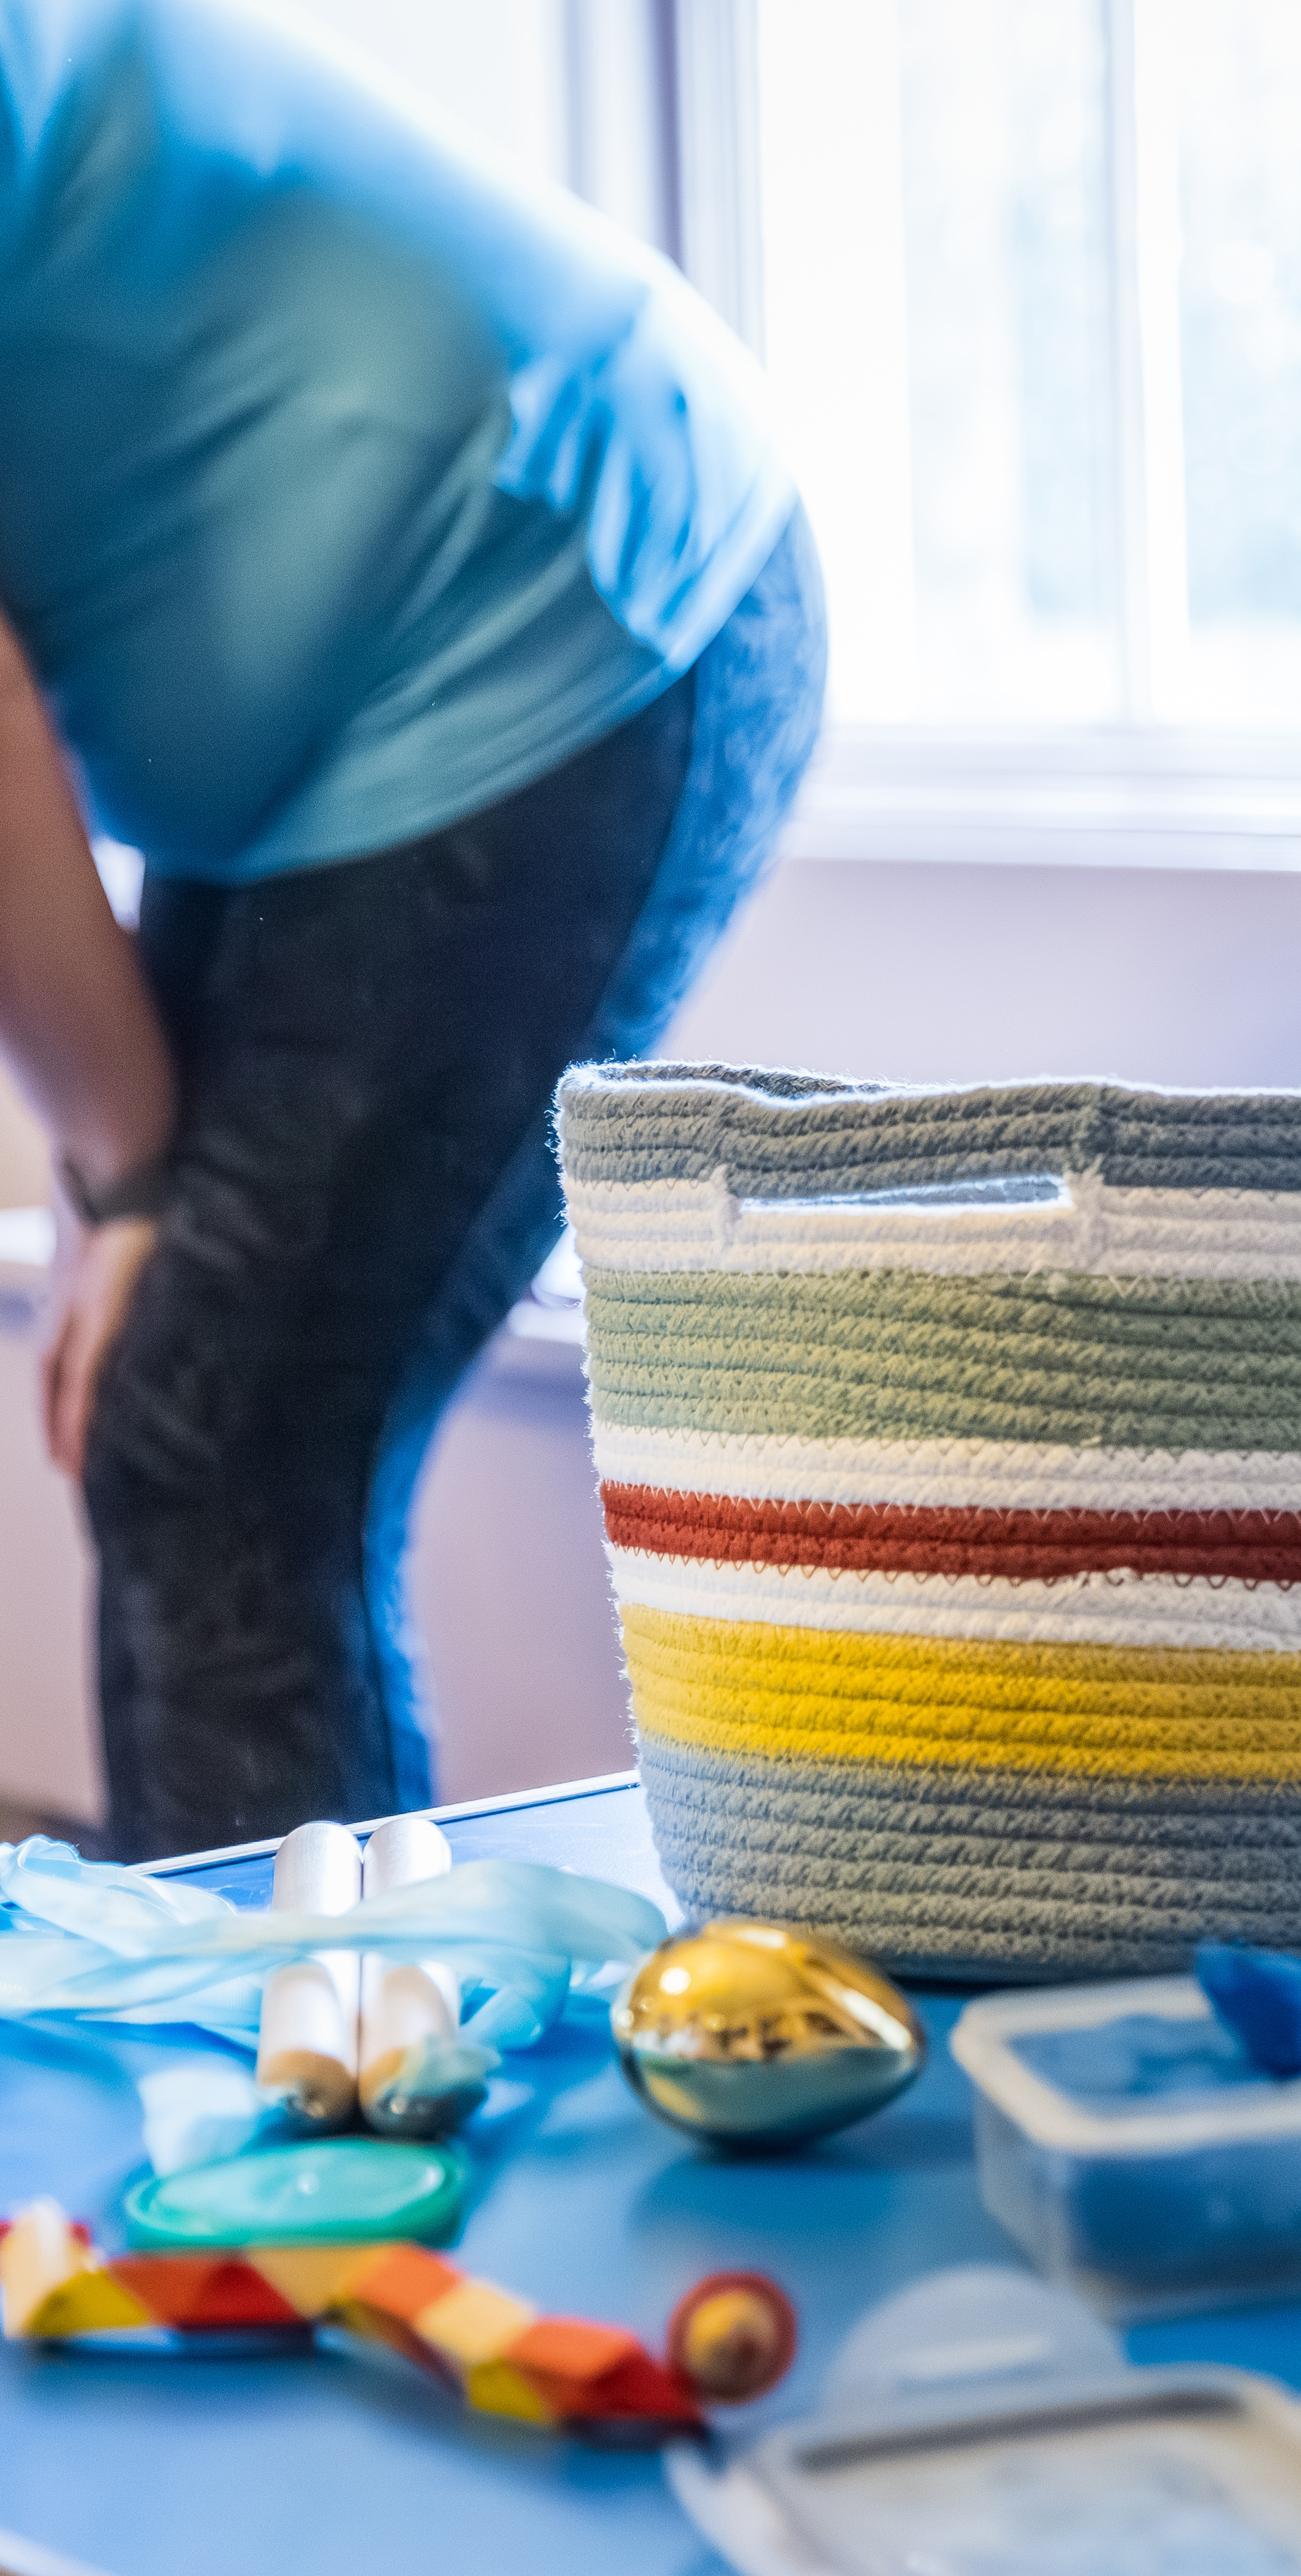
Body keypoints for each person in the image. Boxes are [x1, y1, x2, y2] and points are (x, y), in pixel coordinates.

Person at [0, 0, 822, 1857]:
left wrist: (128, 1179)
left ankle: (317, 2139)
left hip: (563, 592)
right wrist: (113, 1163)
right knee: (169, 1424)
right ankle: (249, 2115)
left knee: (214, 1446)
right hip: (331, 707)